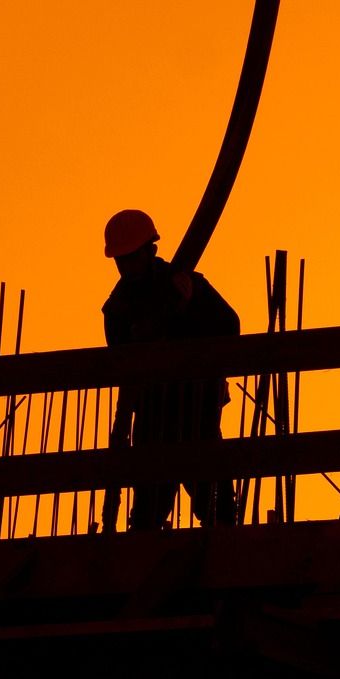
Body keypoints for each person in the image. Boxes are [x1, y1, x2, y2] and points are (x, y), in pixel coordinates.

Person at [99, 209, 240, 531]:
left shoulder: (186, 282)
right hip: (153, 419)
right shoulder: (118, 307)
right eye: (121, 260)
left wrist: (190, 306)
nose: (126, 267)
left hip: (198, 412)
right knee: (148, 515)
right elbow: (121, 361)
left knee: (220, 511)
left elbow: (230, 328)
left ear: (151, 250)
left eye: (132, 257)